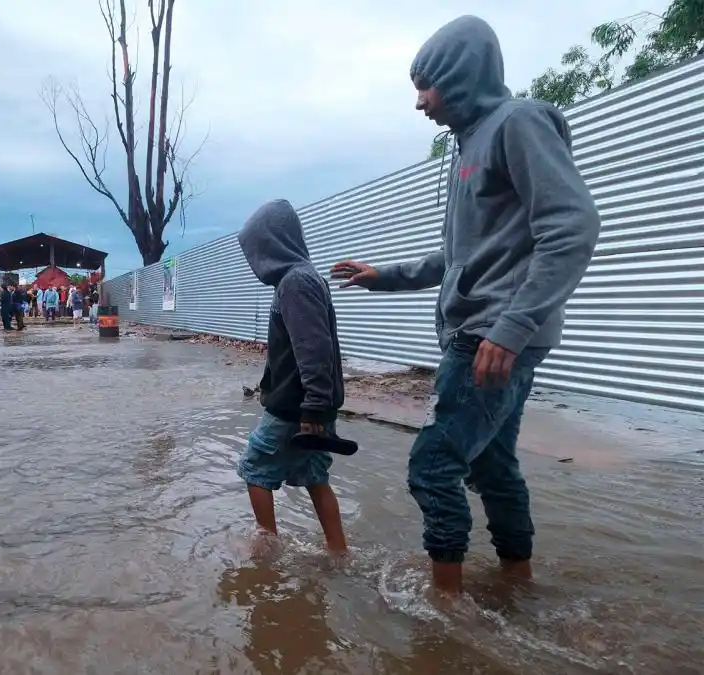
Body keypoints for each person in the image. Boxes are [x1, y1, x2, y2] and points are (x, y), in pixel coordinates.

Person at [331, 16, 600, 596]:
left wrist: (511, 328)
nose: (419, 101)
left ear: (457, 76)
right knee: (492, 465)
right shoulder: (468, 146)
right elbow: (457, 256)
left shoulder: (519, 123)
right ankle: (518, 587)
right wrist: (383, 276)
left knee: (432, 468)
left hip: (490, 337)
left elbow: (572, 226)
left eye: (424, 85)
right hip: (489, 332)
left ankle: (445, 616)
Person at [236, 200, 348, 554]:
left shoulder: (295, 283)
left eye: (255, 251)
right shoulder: (304, 278)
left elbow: (314, 348)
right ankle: (338, 551)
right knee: (317, 477)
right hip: (313, 405)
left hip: (294, 408)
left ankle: (267, 548)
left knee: (254, 467)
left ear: (272, 244)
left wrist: (312, 407)